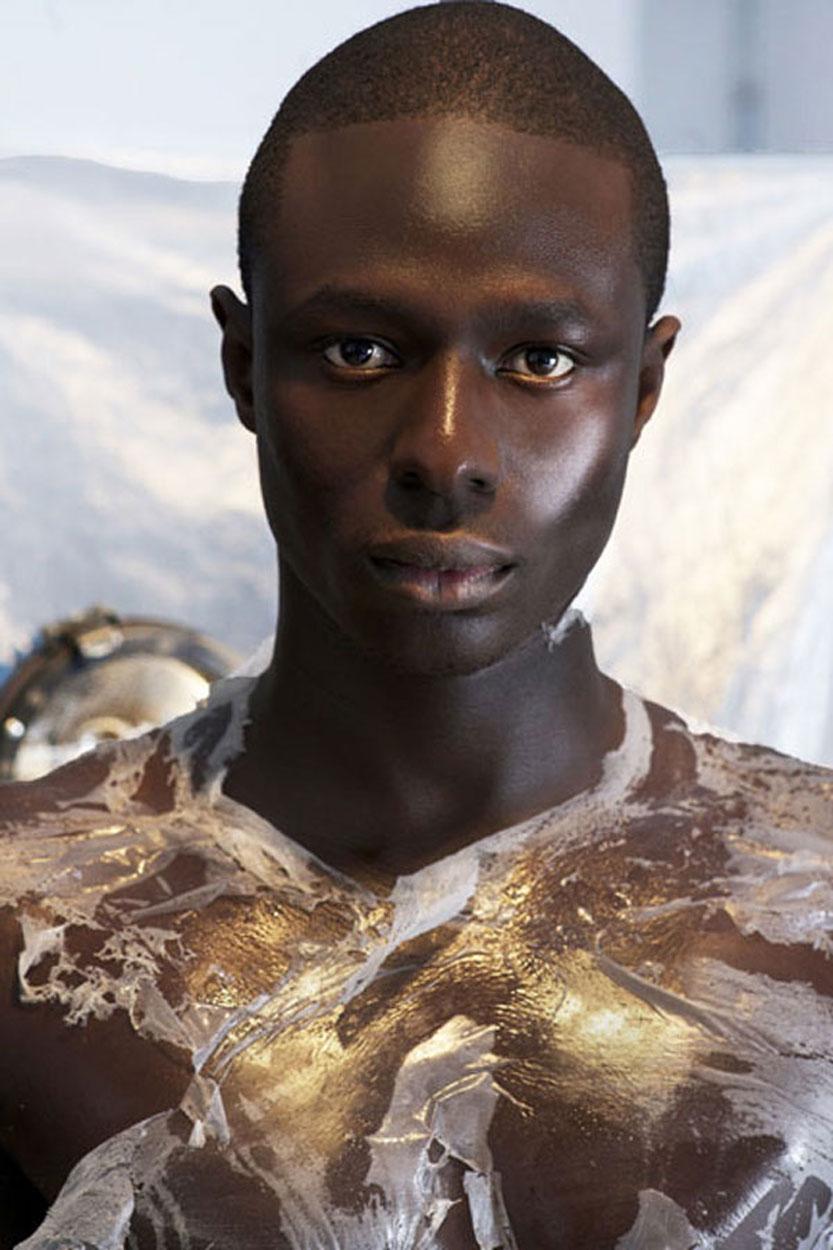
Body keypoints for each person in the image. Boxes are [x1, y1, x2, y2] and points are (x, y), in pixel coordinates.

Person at [1, 3, 831, 1247]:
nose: (445, 455)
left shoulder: (807, 915)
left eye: (539, 360)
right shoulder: (29, 925)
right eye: (357, 349)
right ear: (243, 366)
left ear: (644, 387)